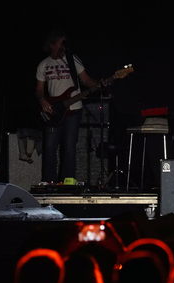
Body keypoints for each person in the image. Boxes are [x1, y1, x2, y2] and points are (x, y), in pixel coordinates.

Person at [36, 30, 98, 184]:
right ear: (52, 45)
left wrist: (100, 84)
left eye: (65, 43)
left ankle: (68, 181)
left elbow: (85, 79)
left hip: (74, 109)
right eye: (60, 43)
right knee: (50, 147)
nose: (63, 46)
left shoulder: (72, 59)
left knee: (70, 147)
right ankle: (49, 181)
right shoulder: (43, 64)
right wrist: (43, 100)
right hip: (54, 111)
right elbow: (38, 89)